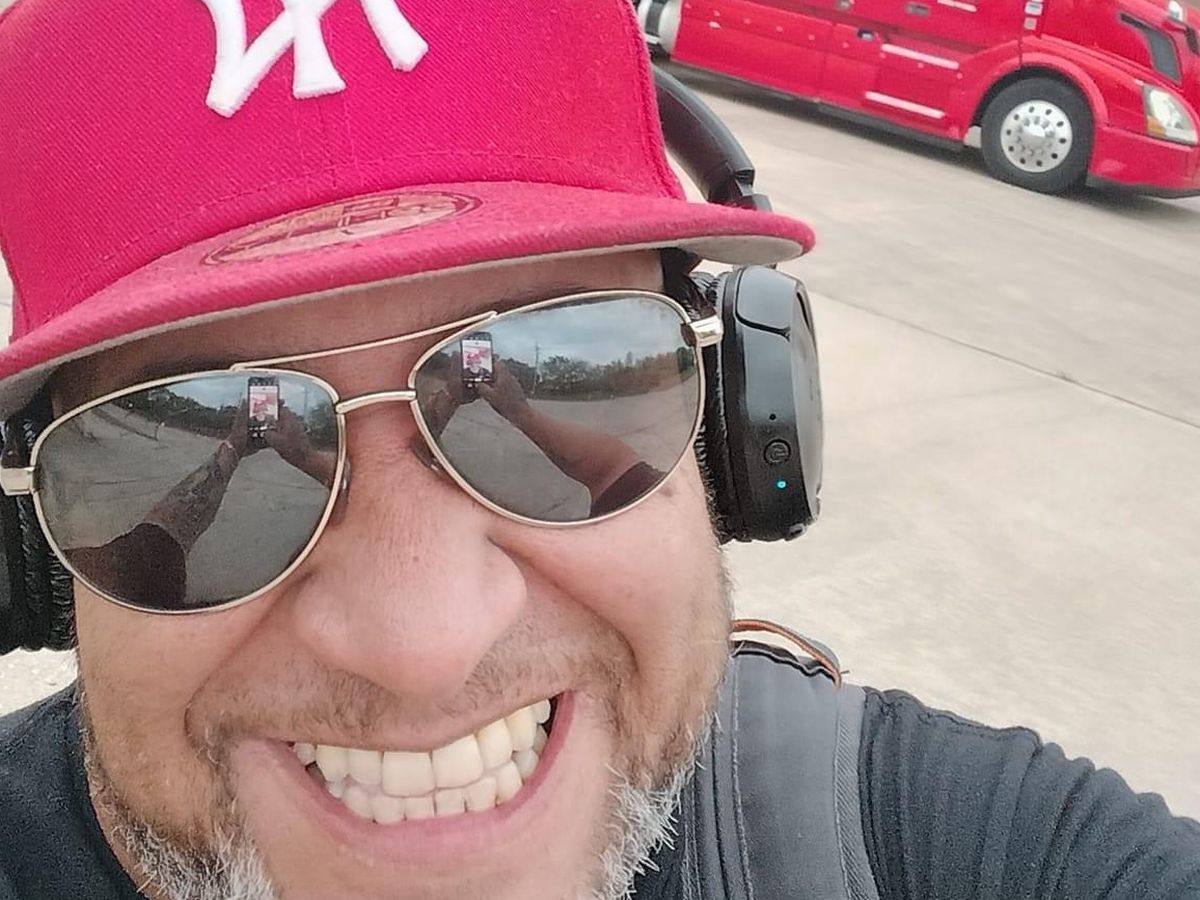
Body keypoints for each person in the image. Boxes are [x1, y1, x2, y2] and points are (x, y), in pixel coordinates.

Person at [0, 1, 1196, 899]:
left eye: (551, 367)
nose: (422, 648)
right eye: (187, 425)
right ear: (31, 551)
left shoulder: (966, 846)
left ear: (731, 426)